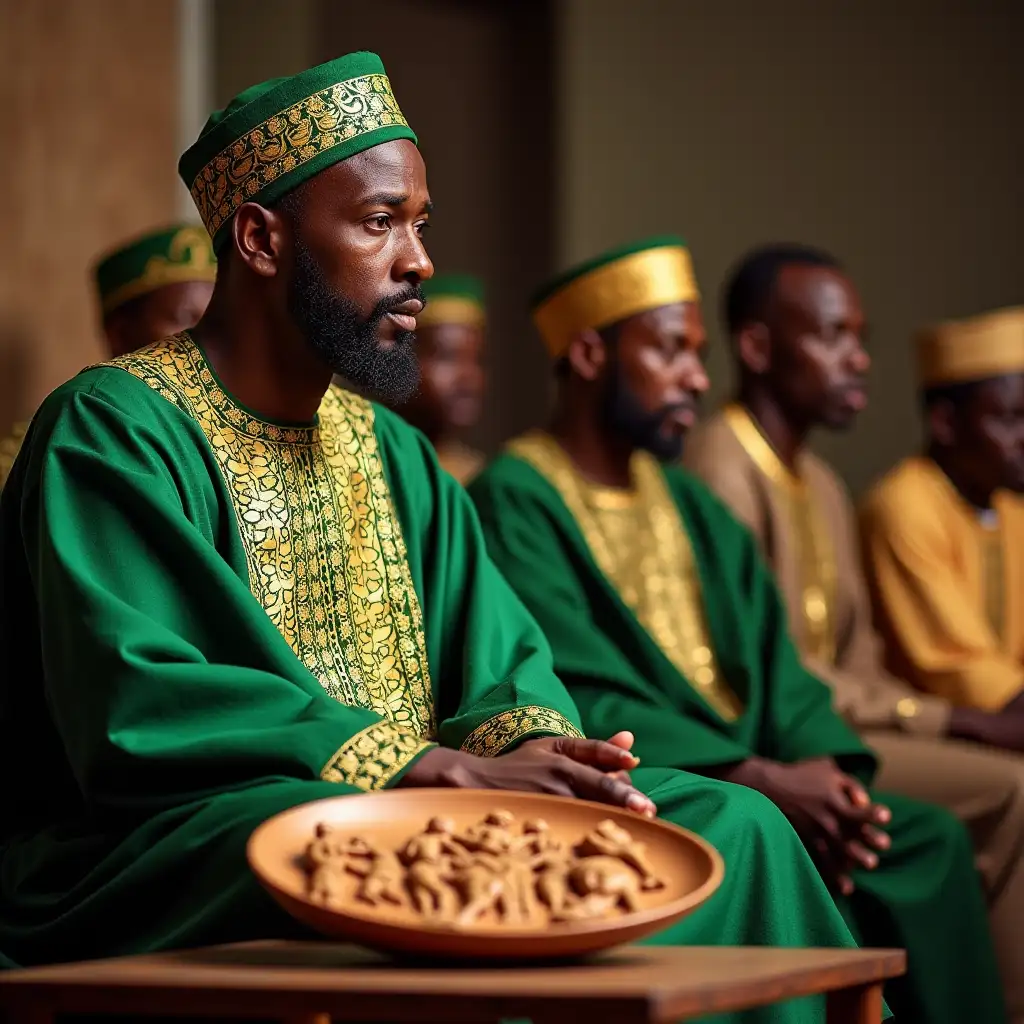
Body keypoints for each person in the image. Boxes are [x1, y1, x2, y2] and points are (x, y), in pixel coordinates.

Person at [0, 59, 862, 1021]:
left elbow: (500, 664)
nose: (417, 261)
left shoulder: (398, 455)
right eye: (379, 223)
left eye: (420, 223)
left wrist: (546, 755)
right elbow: (140, 701)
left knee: (728, 821)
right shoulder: (113, 428)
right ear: (258, 238)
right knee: (379, 849)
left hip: (425, 804)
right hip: (170, 842)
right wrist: (414, 767)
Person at [469, 235, 1006, 1024]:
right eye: (669, 351)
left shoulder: (689, 504)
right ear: (587, 355)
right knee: (770, 831)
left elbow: (779, 663)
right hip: (672, 777)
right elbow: (573, 683)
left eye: (697, 352)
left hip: (763, 764)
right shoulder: (516, 496)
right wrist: (755, 775)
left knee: (920, 841)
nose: (696, 376)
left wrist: (820, 772)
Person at [684, 245, 1024, 1023]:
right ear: (759, 348)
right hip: (783, 739)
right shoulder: (721, 465)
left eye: (859, 337)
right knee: (1010, 789)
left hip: (841, 722)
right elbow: (771, 669)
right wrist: (956, 721)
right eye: (834, 337)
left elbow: (858, 653)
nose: (858, 360)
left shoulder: (825, 483)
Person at [860, 307, 1024, 713]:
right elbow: (959, 670)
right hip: (924, 720)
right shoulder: (904, 505)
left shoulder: (1009, 506)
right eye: (1010, 418)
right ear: (946, 423)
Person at [0, 223, 216, 487]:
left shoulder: (234, 442)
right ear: (120, 334)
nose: (205, 336)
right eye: (184, 318)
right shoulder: (47, 452)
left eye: (215, 319)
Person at [398, 272, 486, 484]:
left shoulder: (477, 476)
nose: (470, 378)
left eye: (479, 360)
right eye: (448, 357)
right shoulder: (364, 460)